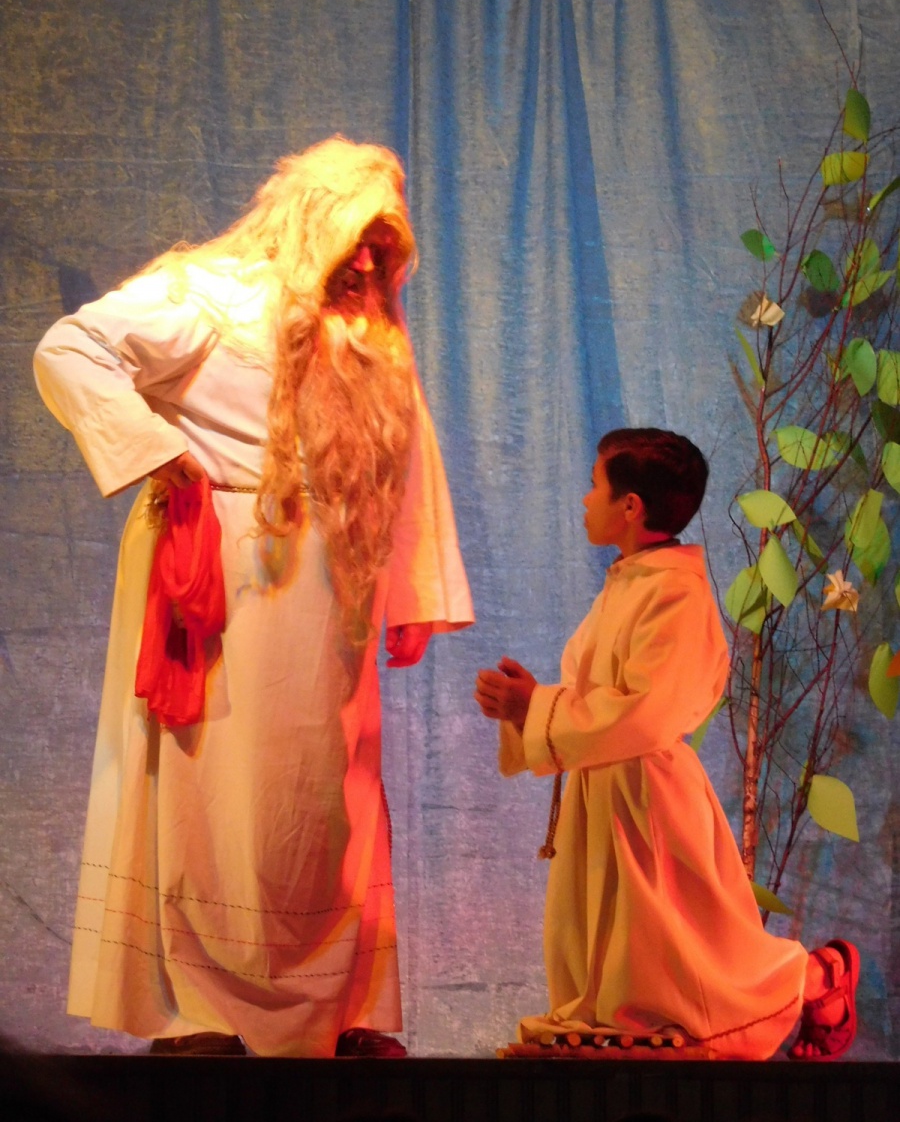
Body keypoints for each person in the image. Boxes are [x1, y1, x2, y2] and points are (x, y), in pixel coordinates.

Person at [34, 136, 474, 1058]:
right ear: (310, 221)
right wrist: (158, 453)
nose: (367, 265)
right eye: (356, 240)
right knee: (221, 791)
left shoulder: (372, 332)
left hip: (334, 590)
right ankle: (208, 1010)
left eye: (384, 248)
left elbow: (408, 457)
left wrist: (415, 591)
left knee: (328, 796)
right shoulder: (214, 296)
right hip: (231, 570)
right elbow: (72, 347)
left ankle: (331, 1007)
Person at [474, 428, 858, 1061]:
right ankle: (618, 1022)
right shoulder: (631, 581)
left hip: (646, 797)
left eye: (595, 486)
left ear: (630, 506)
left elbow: (648, 710)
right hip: (609, 790)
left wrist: (536, 708)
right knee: (636, 939)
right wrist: (532, 702)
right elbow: (609, 693)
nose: (585, 498)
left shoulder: (675, 592)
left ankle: (819, 977)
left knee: (682, 947)